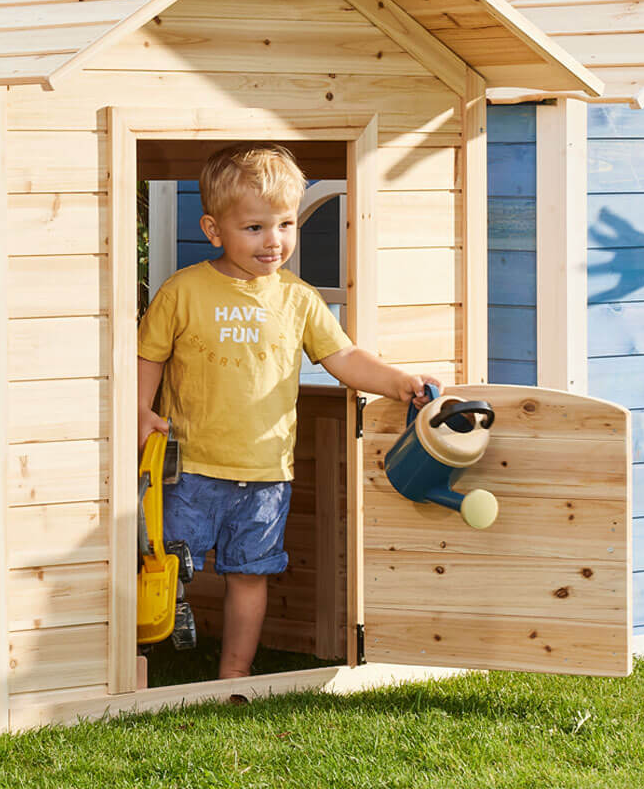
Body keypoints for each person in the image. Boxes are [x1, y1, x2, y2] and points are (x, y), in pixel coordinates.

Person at [137, 143, 440, 680]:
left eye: (285, 224)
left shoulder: (298, 298)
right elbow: (149, 355)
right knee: (161, 563)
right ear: (213, 230)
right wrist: (140, 409)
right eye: (254, 228)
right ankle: (139, 661)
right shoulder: (183, 291)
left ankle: (235, 674)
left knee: (250, 575)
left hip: (266, 474)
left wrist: (399, 382)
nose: (273, 241)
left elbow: (344, 357)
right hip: (189, 469)